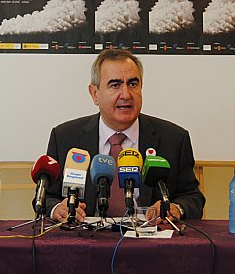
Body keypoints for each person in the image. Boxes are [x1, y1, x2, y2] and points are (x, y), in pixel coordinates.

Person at [43, 49, 205, 223]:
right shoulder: (65, 138)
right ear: (95, 94)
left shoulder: (173, 139)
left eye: (133, 84)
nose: (126, 94)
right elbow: (46, 197)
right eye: (115, 85)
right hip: (85, 235)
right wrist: (57, 208)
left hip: (149, 236)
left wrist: (176, 208)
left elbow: (193, 197)